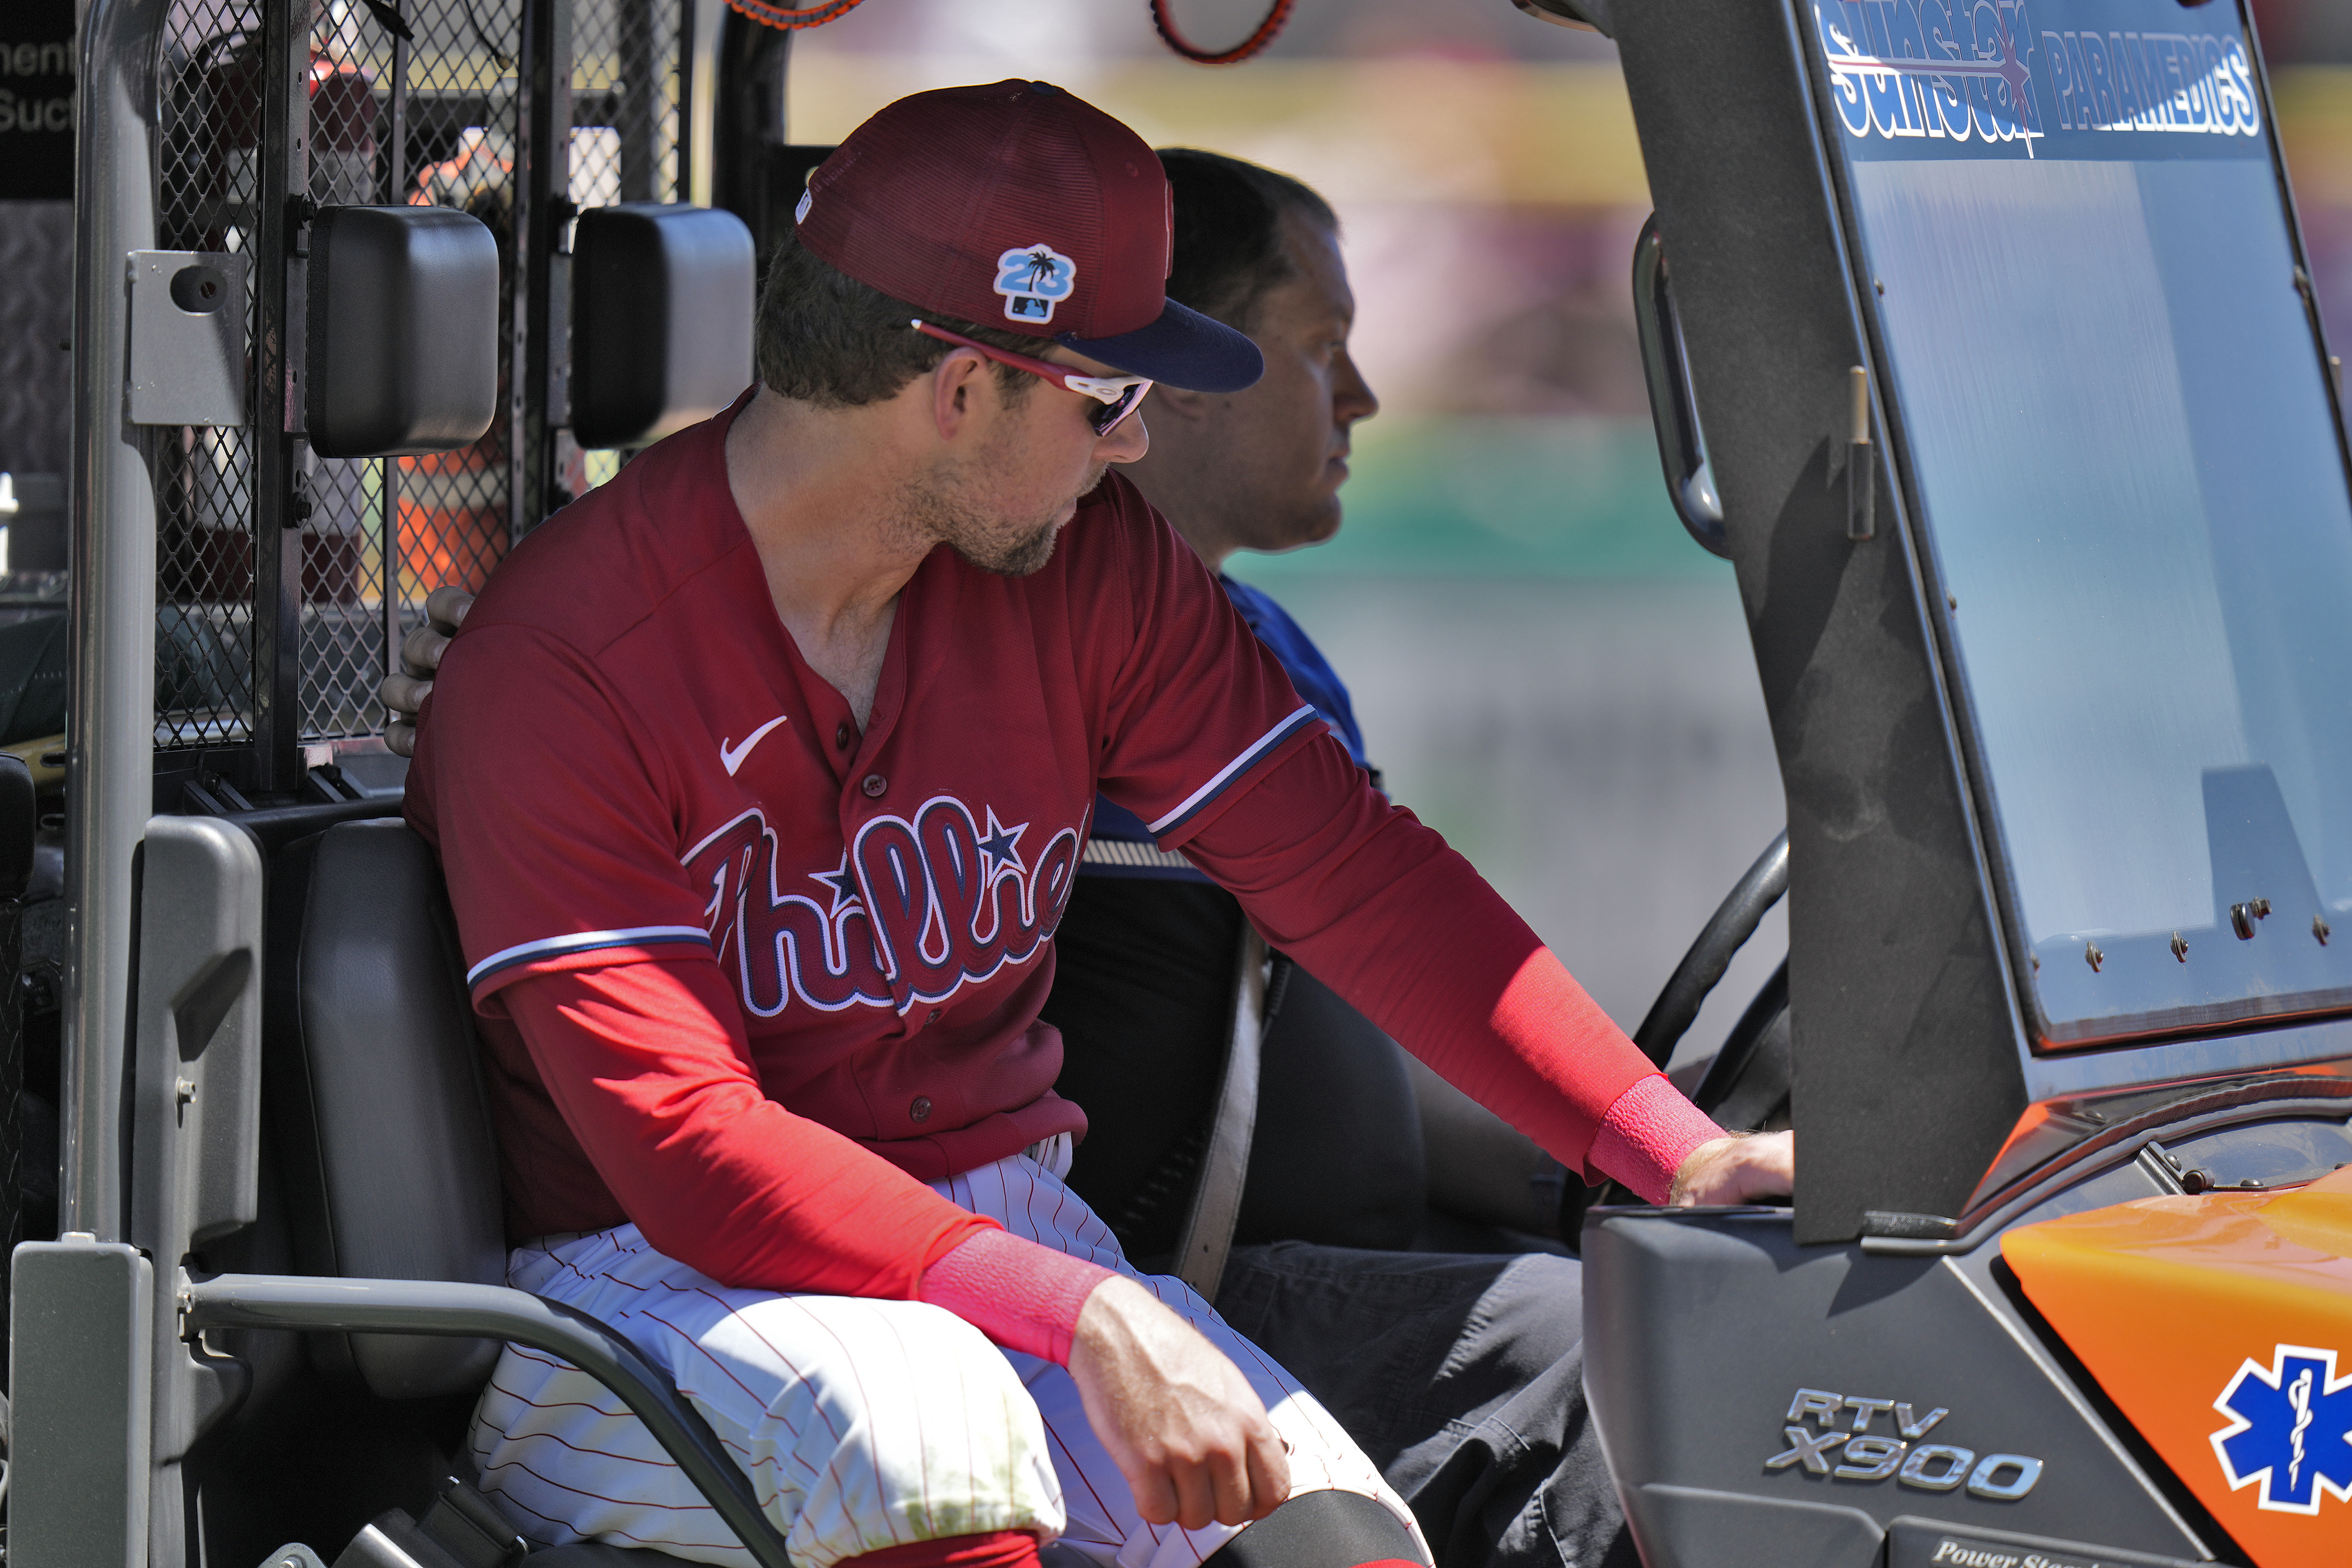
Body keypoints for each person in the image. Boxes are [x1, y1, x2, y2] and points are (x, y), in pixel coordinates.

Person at [399, 80, 1793, 1568]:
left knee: (1331, 1539)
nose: (1134, 449)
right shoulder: (565, 661)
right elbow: (687, 1147)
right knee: (925, 1443)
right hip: (642, 1277)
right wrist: (1088, 1307)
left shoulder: (1086, 568)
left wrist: (1676, 1152)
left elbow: (1354, 872)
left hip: (994, 1229)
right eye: (1109, 396)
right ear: (958, 390)